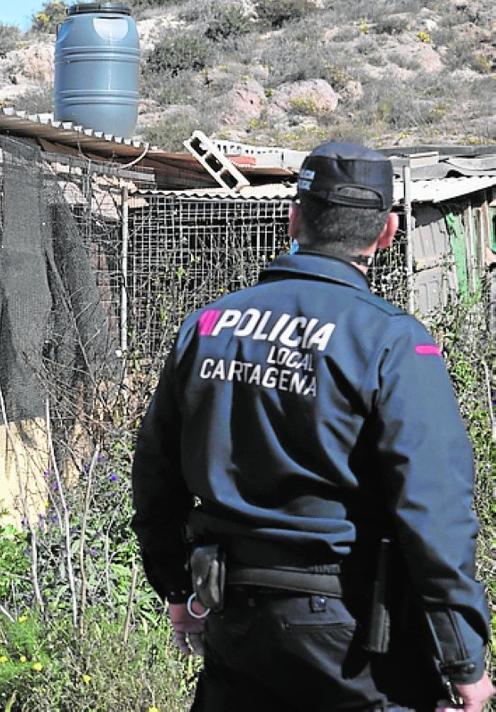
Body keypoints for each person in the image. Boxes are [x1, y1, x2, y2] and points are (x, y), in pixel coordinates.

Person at [131, 142, 493, 711]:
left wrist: (178, 588)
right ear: (388, 232)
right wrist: (462, 658)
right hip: (353, 642)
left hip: (235, 623)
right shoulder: (391, 341)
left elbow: (155, 475)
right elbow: (433, 508)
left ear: (293, 219)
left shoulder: (207, 327)